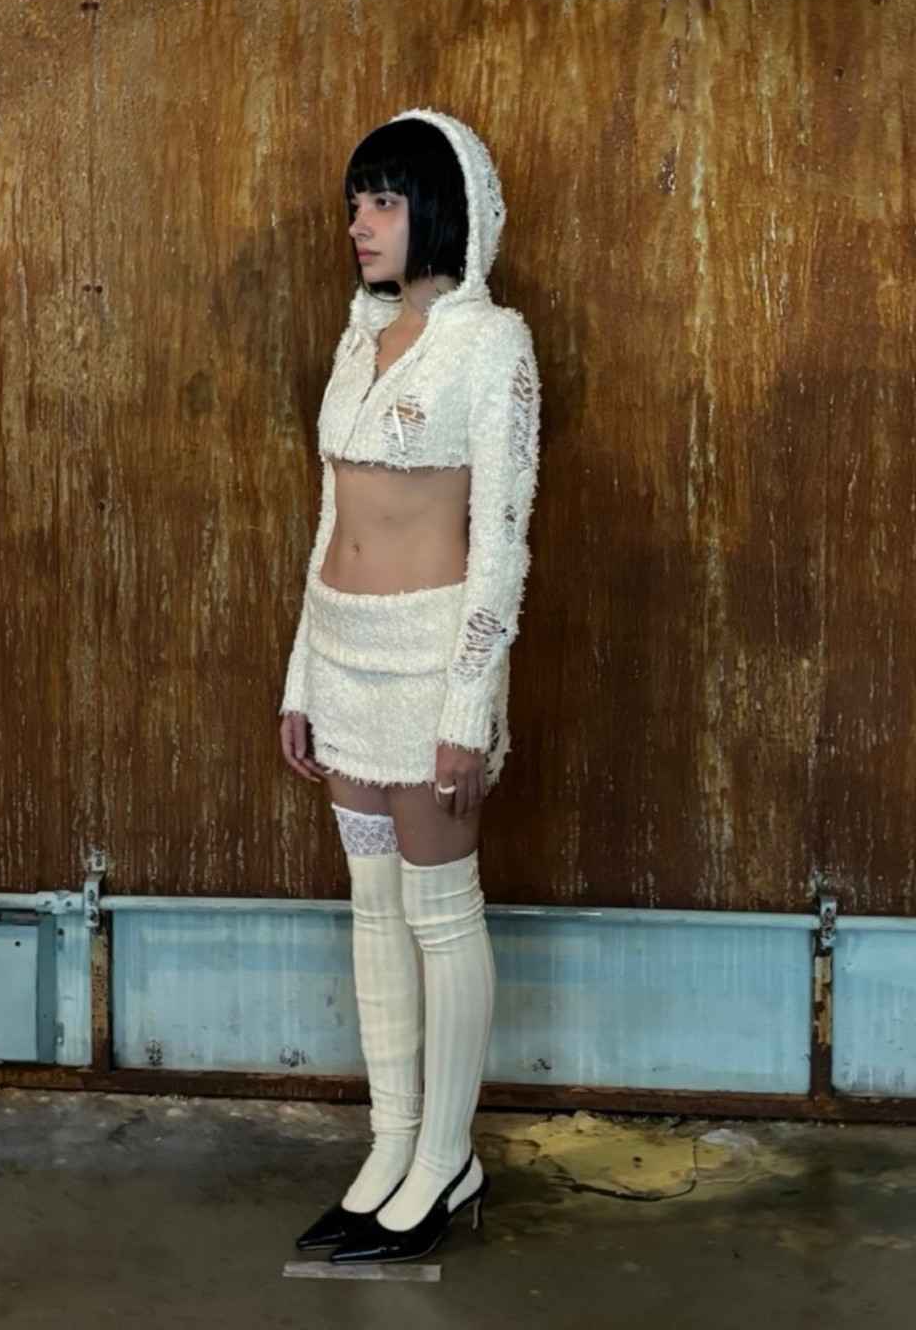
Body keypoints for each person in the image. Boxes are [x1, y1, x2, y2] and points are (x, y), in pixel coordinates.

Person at [279, 108, 540, 1264]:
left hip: (431, 661)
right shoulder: (360, 338)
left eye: (383, 201)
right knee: (373, 907)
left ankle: (446, 1159)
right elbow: (329, 519)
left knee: (440, 913)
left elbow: (502, 543)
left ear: (441, 209)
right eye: (354, 203)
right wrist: (299, 674)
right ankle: (388, 1146)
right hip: (343, 656)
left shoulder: (493, 345)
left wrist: (467, 705)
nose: (360, 224)